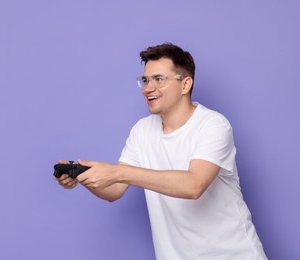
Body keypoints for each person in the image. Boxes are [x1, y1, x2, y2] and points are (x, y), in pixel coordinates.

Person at [56, 43, 267, 260]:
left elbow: (193, 185)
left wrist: (117, 172)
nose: (148, 88)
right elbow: (115, 190)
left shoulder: (213, 125)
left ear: (185, 85)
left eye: (159, 79)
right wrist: (83, 175)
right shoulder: (142, 130)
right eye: (145, 80)